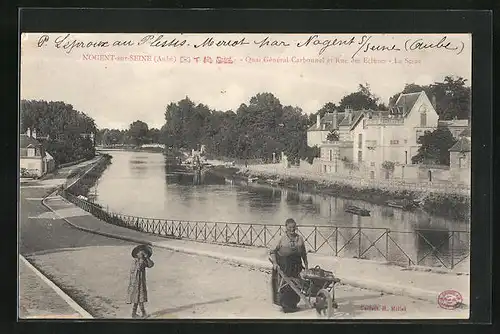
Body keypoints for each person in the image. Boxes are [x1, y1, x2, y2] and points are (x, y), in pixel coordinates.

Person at [269, 218, 309, 313]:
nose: (292, 229)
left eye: (294, 227)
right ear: (286, 227)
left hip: (296, 266)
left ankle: (293, 305)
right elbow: (272, 251)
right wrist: (275, 263)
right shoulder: (281, 238)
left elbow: (303, 253)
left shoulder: (300, 238)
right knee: (285, 285)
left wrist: (306, 265)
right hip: (284, 266)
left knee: (296, 284)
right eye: (290, 227)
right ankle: (286, 306)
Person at [127, 244, 155, 318]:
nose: (142, 254)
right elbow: (138, 268)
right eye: (140, 253)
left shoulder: (144, 260)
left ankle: (136, 313)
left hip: (141, 282)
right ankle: (142, 313)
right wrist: (142, 260)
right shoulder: (135, 261)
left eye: (143, 253)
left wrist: (147, 258)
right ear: (137, 254)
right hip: (135, 283)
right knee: (138, 297)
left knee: (140, 297)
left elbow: (151, 265)